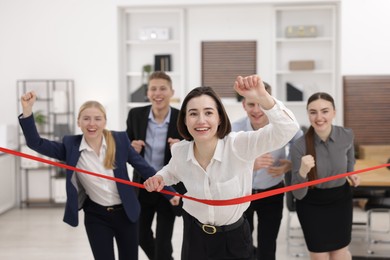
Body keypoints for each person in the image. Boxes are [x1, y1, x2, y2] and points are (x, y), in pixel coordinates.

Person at [144, 75, 299, 260]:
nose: (201, 120)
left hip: (233, 239)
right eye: (193, 113)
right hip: (194, 235)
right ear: (185, 120)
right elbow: (172, 171)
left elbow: (288, 129)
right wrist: (160, 178)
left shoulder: (239, 145)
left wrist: (263, 97)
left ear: (219, 118)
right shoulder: (180, 150)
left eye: (208, 113)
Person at [18, 91, 179, 260]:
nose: (91, 123)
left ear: (105, 122)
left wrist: (169, 192)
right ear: (78, 122)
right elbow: (35, 143)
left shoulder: (119, 140)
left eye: (97, 118)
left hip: (126, 213)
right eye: (86, 118)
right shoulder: (70, 146)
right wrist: (27, 110)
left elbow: (144, 168)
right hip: (97, 216)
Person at [232, 82, 303, 260]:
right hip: (242, 193)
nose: (257, 110)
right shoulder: (233, 130)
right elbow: (225, 162)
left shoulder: (284, 126)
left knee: (267, 245)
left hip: (272, 193)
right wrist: (250, 164)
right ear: (243, 105)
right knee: (242, 245)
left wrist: (290, 165)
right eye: (251, 104)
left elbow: (300, 145)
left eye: (261, 104)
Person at [290, 92, 360, 260]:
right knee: (319, 256)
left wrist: (351, 173)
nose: (319, 117)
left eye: (325, 111)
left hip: (340, 201)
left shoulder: (347, 135)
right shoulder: (299, 147)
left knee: (340, 254)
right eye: (313, 112)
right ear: (308, 114)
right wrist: (302, 172)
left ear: (334, 113)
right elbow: (298, 194)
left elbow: (350, 156)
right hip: (312, 204)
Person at [126, 71, 186, 260]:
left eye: (162, 88)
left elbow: (194, 151)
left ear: (171, 92)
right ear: (147, 92)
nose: (157, 93)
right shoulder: (135, 115)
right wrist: (131, 148)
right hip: (143, 185)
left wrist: (180, 147)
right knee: (140, 234)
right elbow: (125, 149)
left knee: (163, 240)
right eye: (153, 89)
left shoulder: (182, 118)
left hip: (169, 185)